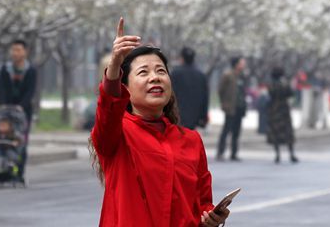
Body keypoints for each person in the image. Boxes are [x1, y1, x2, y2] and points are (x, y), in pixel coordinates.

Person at [90, 18, 230, 227]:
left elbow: (202, 204)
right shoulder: (117, 134)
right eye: (143, 72)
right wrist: (114, 67)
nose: (154, 77)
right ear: (125, 86)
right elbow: (107, 108)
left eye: (161, 71)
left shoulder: (191, 140)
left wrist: (210, 217)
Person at [0, 39, 37, 182]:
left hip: (23, 112)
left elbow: (30, 92)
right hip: (6, 111)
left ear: (25, 52)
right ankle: (3, 170)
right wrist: (3, 105)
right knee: (5, 138)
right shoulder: (5, 69)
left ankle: (19, 172)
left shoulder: (30, 70)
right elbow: (0, 89)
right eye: (13, 50)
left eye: (19, 50)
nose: (15, 53)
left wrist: (22, 106)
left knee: (21, 140)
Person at [170, 46, 209, 130]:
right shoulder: (201, 75)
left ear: (182, 58)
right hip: (194, 117)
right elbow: (205, 98)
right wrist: (204, 117)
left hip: (178, 116)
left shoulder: (175, 73)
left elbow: (170, 95)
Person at [216, 56, 247, 161]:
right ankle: (220, 152)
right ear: (236, 64)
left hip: (240, 107)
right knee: (226, 130)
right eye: (242, 63)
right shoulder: (228, 75)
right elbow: (220, 90)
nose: (243, 65)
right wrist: (224, 103)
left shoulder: (242, 76)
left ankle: (234, 153)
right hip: (230, 107)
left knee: (236, 131)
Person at [266, 67, 298, 163]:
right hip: (283, 110)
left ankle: (277, 155)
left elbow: (270, 94)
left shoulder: (271, 84)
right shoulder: (284, 84)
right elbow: (291, 93)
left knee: (275, 132)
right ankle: (291, 154)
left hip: (274, 110)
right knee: (287, 132)